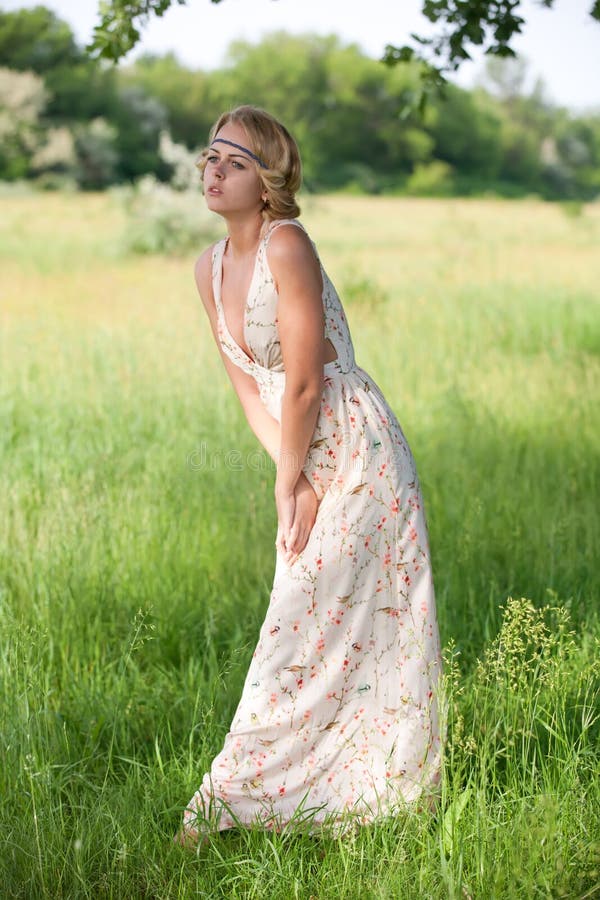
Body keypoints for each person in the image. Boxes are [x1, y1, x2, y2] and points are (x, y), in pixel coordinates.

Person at [176, 105, 442, 845]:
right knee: (313, 624)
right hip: (297, 453)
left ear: (265, 182)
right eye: (208, 157)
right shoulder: (208, 266)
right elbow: (248, 388)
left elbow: (303, 384)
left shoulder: (287, 244)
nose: (213, 170)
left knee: (328, 627)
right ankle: (313, 797)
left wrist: (300, 479)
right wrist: (290, 480)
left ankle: (248, 804)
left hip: (356, 448)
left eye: (231, 161)